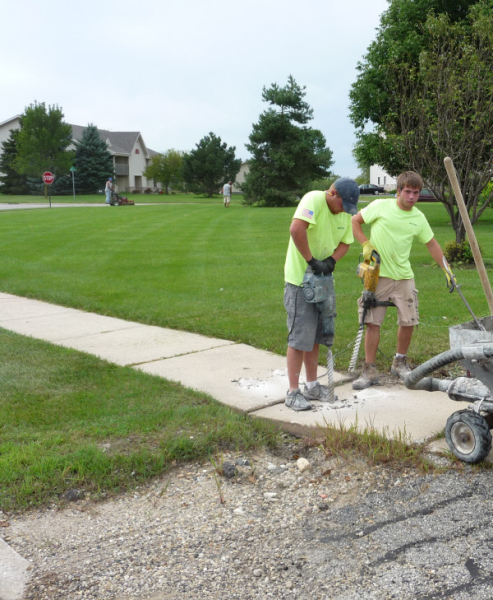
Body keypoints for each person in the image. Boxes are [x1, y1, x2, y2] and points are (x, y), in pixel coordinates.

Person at [351, 171, 453, 390]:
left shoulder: (418, 217)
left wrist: (447, 270)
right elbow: (355, 221)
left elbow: (432, 244)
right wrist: (365, 244)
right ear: (398, 191)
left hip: (405, 276)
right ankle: (369, 370)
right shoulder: (380, 206)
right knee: (372, 322)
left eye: (416, 193)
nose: (412, 197)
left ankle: (399, 362)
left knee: (408, 321)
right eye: (407, 191)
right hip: (377, 274)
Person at [284, 178, 359, 411]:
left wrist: (330, 262)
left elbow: (346, 242)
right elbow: (296, 229)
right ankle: (293, 392)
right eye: (342, 205)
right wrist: (311, 260)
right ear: (332, 193)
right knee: (299, 337)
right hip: (300, 281)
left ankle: (312, 385)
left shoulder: (344, 213)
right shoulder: (313, 199)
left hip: (323, 281)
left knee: (317, 335)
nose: (343, 211)